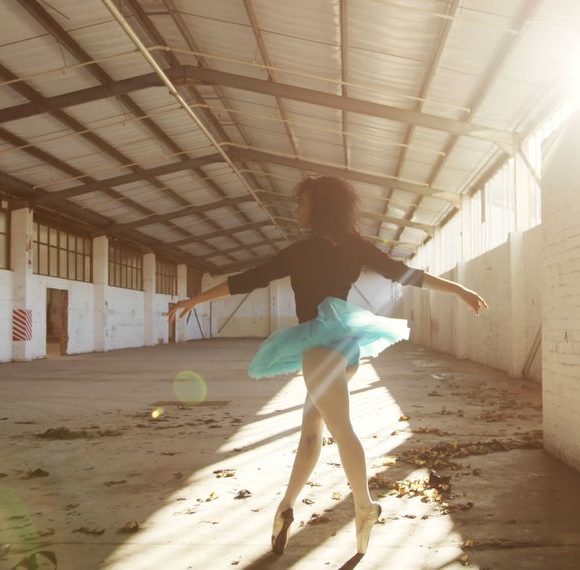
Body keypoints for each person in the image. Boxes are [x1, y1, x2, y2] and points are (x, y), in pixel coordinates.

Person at [168, 175, 488, 556]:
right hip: (346, 346)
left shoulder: (300, 252)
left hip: (319, 346)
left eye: (302, 203)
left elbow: (246, 280)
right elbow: (407, 275)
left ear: (318, 207)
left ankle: (365, 507)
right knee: (311, 430)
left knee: (340, 428)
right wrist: (460, 290)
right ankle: (286, 507)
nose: (297, 210)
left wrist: (194, 301)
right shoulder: (357, 248)